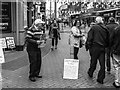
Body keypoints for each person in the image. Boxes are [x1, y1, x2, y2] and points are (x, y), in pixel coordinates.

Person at [85, 16, 109, 84]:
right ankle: (100, 78)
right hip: (102, 48)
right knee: (102, 64)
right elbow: (107, 39)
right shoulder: (105, 28)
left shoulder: (94, 28)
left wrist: (88, 46)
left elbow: (90, 37)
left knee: (93, 61)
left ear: (96, 21)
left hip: (95, 47)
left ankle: (91, 72)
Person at [110, 23, 120, 88]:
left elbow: (111, 40)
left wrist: (111, 48)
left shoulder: (116, 30)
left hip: (117, 50)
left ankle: (117, 82)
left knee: (117, 67)